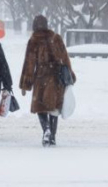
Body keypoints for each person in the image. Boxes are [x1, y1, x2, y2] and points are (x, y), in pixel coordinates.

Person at [20, 15, 76, 146]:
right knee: (54, 108)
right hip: (57, 78)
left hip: (41, 77)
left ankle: (46, 130)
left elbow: (29, 63)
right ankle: (53, 137)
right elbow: (65, 58)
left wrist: (25, 84)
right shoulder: (56, 38)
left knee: (40, 107)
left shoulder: (34, 40)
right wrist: (70, 76)